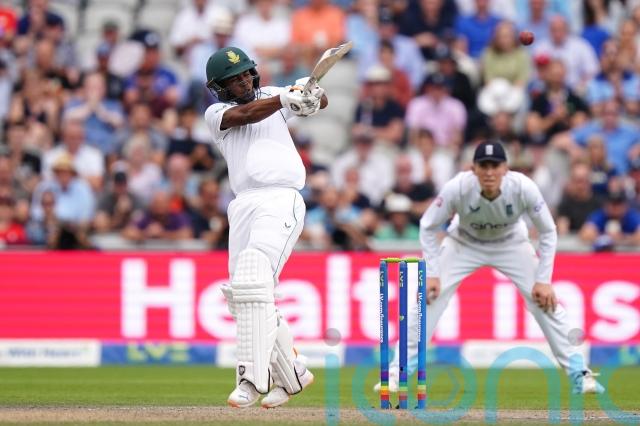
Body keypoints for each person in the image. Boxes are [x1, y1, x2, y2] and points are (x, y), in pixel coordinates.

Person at [375, 141, 605, 396]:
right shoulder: (458, 187)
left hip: (511, 243)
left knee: (545, 302)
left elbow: (548, 231)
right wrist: (432, 273)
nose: (489, 172)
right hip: (464, 243)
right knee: (427, 300)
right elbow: (428, 225)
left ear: (505, 168)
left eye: (495, 166)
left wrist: (544, 280)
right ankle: (397, 372)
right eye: (483, 166)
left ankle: (580, 373)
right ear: (473, 168)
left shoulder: (523, 187)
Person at [203, 46, 327, 408]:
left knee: (254, 277)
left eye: (246, 73)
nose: (244, 81)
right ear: (220, 87)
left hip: (280, 198)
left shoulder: (273, 95)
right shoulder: (216, 114)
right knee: (243, 296)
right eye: (234, 79)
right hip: (243, 205)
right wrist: (286, 99)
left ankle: (250, 380)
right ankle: (294, 373)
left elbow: (319, 104)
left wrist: (309, 93)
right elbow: (246, 114)